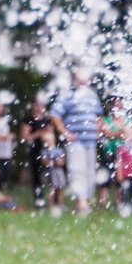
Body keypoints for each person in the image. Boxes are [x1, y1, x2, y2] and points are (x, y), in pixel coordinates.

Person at [49, 68, 103, 214]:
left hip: (90, 140)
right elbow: (54, 114)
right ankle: (81, 203)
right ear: (74, 79)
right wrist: (65, 132)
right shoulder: (67, 94)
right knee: (77, 171)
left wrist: (98, 129)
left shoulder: (92, 95)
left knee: (89, 171)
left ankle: (85, 200)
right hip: (76, 141)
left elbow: (99, 115)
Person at [20, 97, 53, 209]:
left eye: (42, 105)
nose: (40, 107)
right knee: (37, 178)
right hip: (35, 152)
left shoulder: (47, 120)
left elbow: (51, 135)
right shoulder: (28, 120)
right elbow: (25, 137)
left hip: (47, 151)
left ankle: (52, 202)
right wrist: (39, 133)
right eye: (38, 105)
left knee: (52, 177)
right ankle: (39, 201)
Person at [97, 98, 126, 210]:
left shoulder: (125, 120)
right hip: (107, 152)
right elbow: (104, 132)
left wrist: (112, 133)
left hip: (121, 153)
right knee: (105, 178)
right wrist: (118, 133)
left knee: (120, 178)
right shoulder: (105, 120)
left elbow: (126, 134)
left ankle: (119, 203)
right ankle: (102, 203)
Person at [39, 126, 67, 212]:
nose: (47, 143)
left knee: (61, 188)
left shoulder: (59, 150)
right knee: (52, 189)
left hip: (59, 172)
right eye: (46, 141)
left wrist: (53, 162)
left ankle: (60, 205)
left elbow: (62, 161)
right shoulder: (44, 151)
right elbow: (45, 162)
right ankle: (50, 206)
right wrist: (55, 162)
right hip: (51, 172)